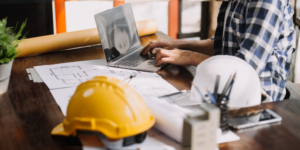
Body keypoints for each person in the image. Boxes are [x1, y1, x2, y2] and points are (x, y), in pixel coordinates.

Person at [140, 0, 295, 101]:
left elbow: (244, 68)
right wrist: (179, 45)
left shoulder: (267, 2)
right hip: (224, 87)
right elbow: (221, 45)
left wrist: (188, 56)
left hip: (257, 98)